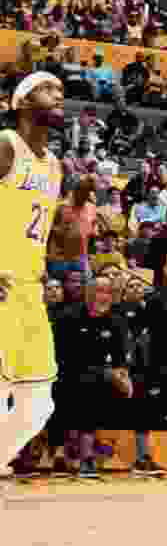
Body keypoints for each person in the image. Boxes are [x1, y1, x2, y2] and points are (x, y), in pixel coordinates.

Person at [0, 72, 66, 485]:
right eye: (47, 89)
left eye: (61, 91)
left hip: (29, 287)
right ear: (21, 103)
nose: (58, 96)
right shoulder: (7, 145)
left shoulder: (55, 165)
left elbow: (39, 231)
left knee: (38, 400)